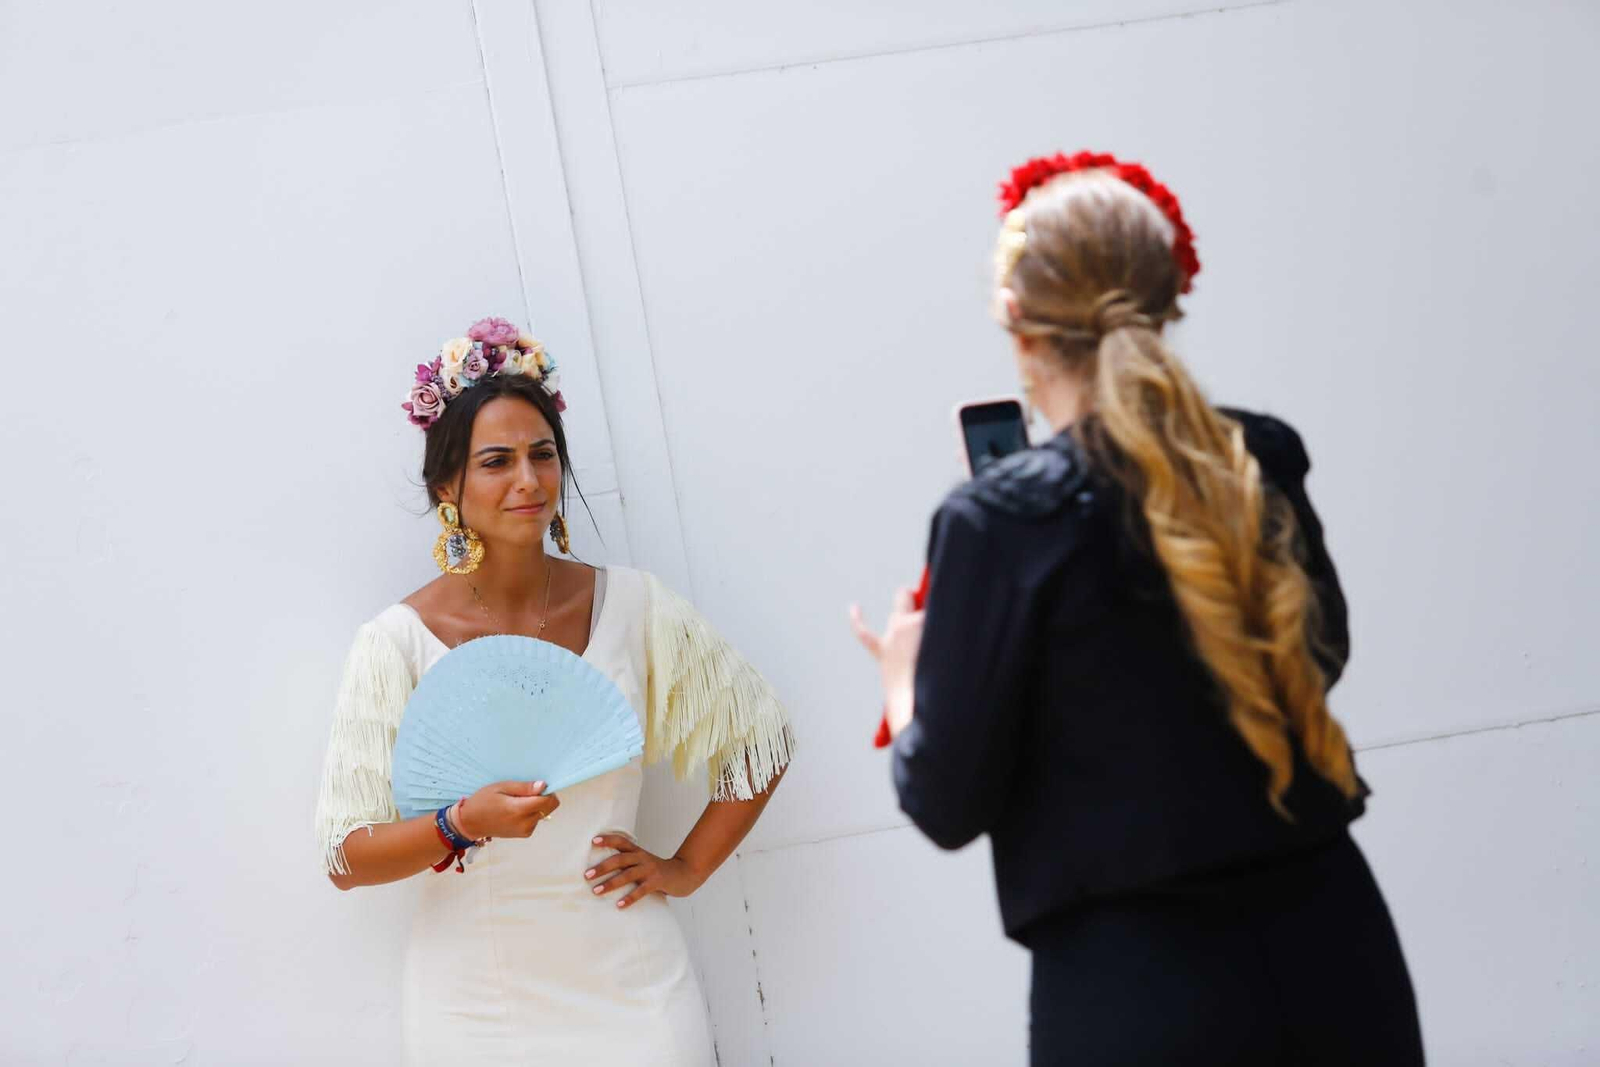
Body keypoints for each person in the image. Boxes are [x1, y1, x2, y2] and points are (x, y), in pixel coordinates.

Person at [851, 153, 1423, 1065]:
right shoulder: (1259, 455)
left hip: (1137, 991)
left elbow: (946, 800)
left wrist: (905, 679)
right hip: (1336, 953)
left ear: (1017, 322)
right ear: (1167, 297)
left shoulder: (999, 520)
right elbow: (1322, 653)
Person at [314, 317, 794, 1065]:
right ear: (448, 486)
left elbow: (761, 741)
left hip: (634, 990)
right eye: (496, 461)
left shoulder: (635, 606)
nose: (529, 481)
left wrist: (686, 868)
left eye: (543, 455)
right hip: (477, 1003)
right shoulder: (396, 643)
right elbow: (346, 856)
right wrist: (459, 821)